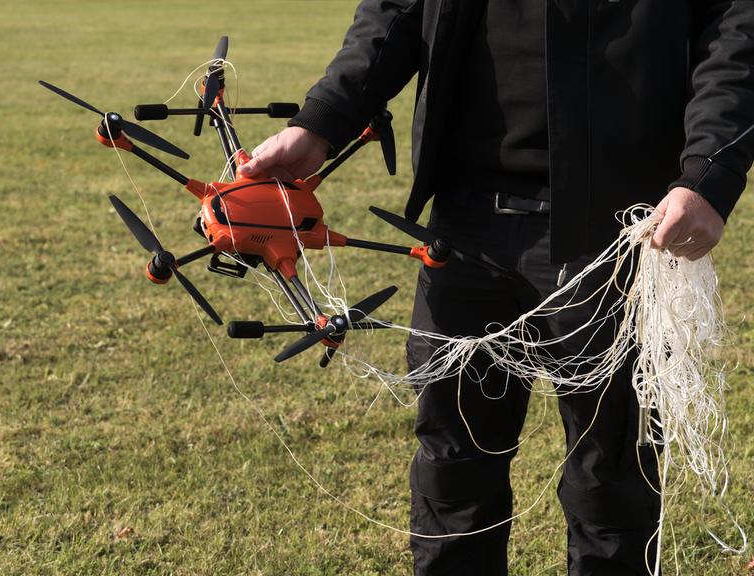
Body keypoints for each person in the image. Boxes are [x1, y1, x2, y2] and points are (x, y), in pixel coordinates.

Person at [241, 1, 754, 574]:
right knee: (452, 468)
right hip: (464, 224)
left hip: (616, 227)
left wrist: (711, 173)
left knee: (611, 480)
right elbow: (397, 10)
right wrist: (322, 121)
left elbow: (737, 24)